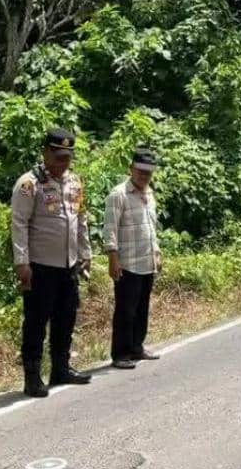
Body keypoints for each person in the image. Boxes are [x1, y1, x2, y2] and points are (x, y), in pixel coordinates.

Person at [11, 127, 94, 397]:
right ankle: (32, 376)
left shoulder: (74, 182)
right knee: (36, 321)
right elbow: (19, 223)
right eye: (58, 156)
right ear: (45, 152)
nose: (63, 163)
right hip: (40, 266)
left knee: (66, 317)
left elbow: (81, 220)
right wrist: (21, 262)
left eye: (67, 157)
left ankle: (61, 367)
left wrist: (86, 253)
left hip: (68, 265)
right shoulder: (29, 184)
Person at [104, 147, 163, 369]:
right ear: (131, 169)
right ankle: (120, 354)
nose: (144, 176)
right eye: (140, 171)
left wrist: (157, 252)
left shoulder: (149, 193)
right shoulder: (118, 194)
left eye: (148, 173)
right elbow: (110, 228)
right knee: (125, 310)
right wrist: (113, 257)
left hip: (146, 260)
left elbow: (151, 227)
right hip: (127, 262)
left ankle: (137, 347)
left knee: (141, 307)